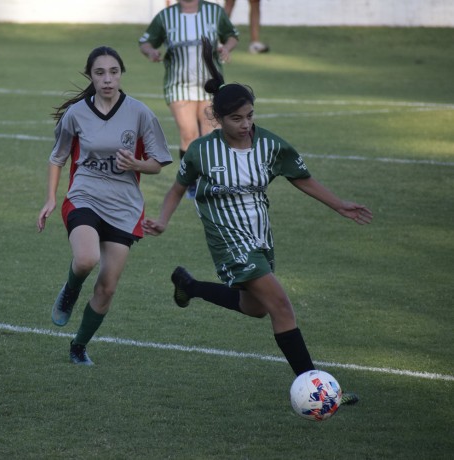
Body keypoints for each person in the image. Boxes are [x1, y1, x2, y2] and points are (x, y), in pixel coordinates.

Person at [142, 38, 371, 403]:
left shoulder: (269, 144)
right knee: (281, 306)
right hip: (228, 240)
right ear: (216, 118)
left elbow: (301, 177)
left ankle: (191, 285)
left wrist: (338, 204)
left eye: (250, 115)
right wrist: (164, 220)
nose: (246, 124)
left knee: (256, 308)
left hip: (259, 237)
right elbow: (176, 188)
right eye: (237, 118)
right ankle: (319, 390)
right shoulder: (202, 150)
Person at [37, 46, 172, 366]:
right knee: (85, 259)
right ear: (91, 77)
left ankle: (79, 345)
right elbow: (58, 157)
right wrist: (51, 198)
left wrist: (137, 163)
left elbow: (158, 163)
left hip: (125, 207)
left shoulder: (140, 113)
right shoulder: (77, 114)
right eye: (100, 73)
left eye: (113, 72)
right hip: (84, 196)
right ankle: (69, 291)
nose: (107, 79)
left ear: (121, 74)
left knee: (107, 287)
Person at [139, 0, 239, 181]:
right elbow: (145, 41)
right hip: (179, 84)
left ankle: (210, 179)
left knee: (210, 134)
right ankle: (190, 181)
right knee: (189, 134)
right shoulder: (166, 16)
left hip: (211, 83)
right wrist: (151, 52)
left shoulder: (214, 11)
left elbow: (232, 35)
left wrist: (226, 48)